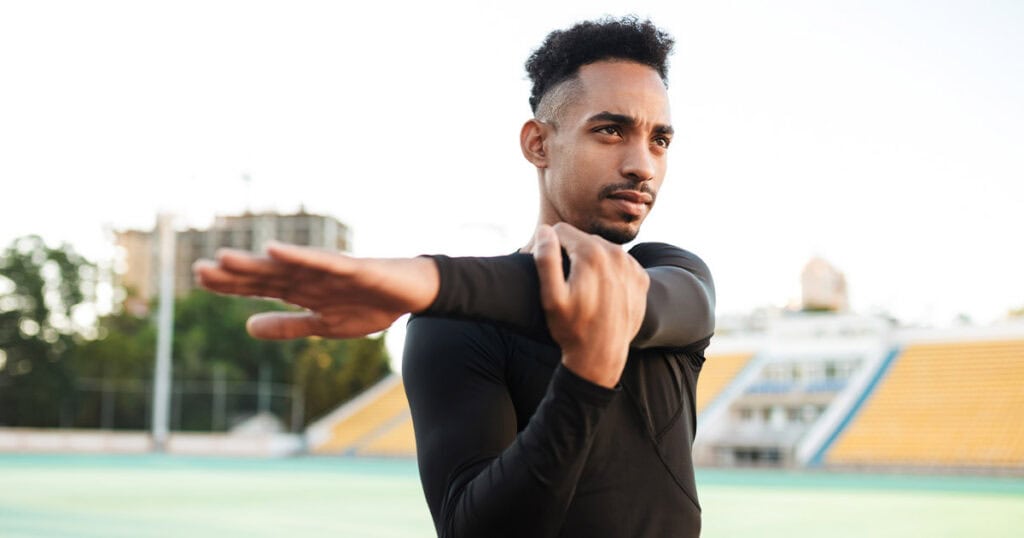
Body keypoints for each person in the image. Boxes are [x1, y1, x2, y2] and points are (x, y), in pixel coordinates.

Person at [195, 16, 714, 538]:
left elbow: (618, 296)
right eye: (610, 130)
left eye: (660, 140)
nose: (642, 164)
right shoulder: (451, 326)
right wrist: (583, 382)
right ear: (538, 143)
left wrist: (429, 281)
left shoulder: (673, 274)